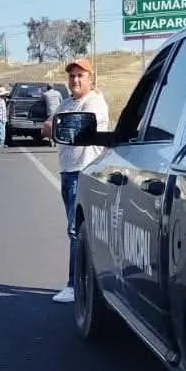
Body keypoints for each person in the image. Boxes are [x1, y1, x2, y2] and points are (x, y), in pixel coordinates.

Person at [42, 58, 109, 303]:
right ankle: (90, 282)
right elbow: (48, 127)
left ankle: (74, 285)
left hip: (86, 172)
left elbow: (78, 127)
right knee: (79, 230)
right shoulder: (67, 102)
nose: (76, 80)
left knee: (76, 229)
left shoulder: (95, 102)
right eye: (72, 76)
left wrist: (63, 126)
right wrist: (55, 125)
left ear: (90, 78)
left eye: (81, 75)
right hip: (68, 172)